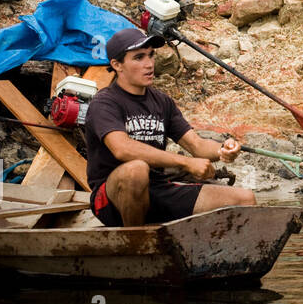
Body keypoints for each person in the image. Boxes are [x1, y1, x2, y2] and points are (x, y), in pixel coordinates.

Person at [84, 28, 256, 227]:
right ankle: (137, 245)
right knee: (136, 171)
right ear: (117, 65)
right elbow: (122, 148)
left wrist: (222, 150)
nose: (149, 64)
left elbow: (197, 145)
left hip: (157, 190)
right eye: (138, 58)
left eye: (151, 55)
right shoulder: (104, 102)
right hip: (111, 200)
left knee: (245, 199)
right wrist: (185, 163)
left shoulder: (162, 101)